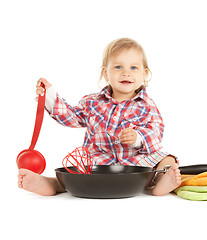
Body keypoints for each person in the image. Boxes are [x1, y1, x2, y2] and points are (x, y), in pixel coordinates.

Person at [17, 38, 181, 196]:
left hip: (136, 167)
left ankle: (160, 181)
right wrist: (50, 98)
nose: (126, 73)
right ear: (105, 73)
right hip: (99, 165)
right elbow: (71, 117)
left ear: (144, 73)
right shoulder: (93, 103)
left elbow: (156, 133)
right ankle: (52, 184)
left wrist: (138, 137)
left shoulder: (147, 105)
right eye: (118, 67)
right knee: (74, 174)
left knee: (167, 159)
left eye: (133, 68)